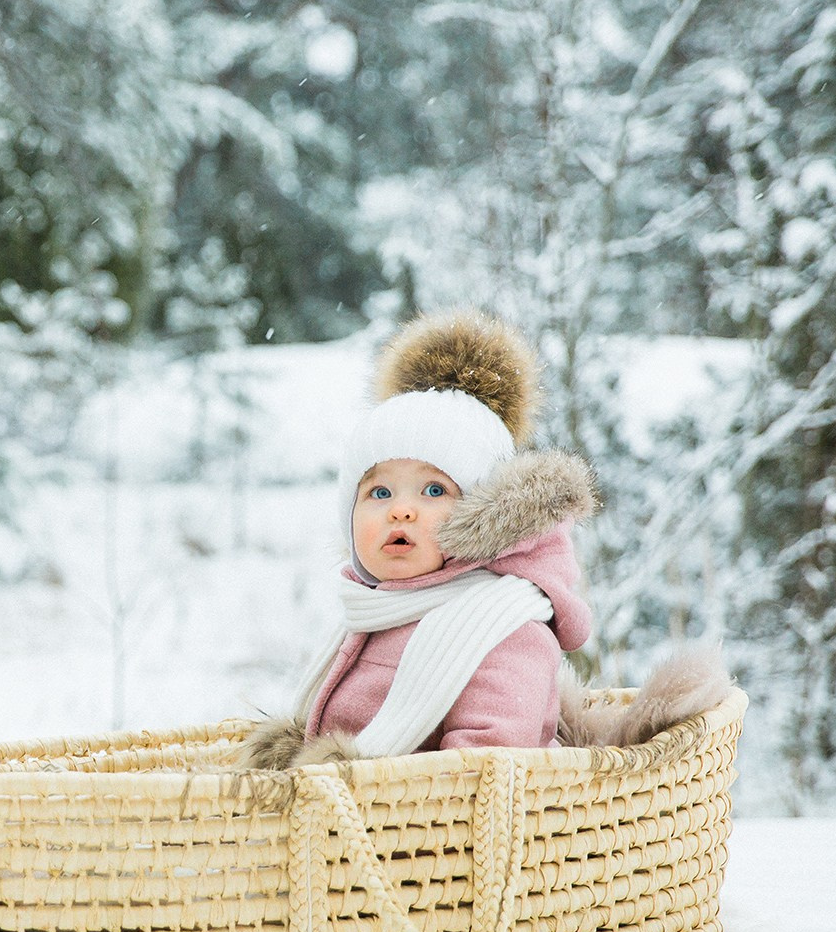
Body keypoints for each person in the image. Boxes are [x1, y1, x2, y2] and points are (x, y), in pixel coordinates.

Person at [236, 309, 596, 769]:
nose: (400, 510)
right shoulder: (373, 613)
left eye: (433, 490)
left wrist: (377, 801)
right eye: (379, 492)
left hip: (441, 834)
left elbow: (491, 767)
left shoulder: (501, 628)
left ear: (478, 515)